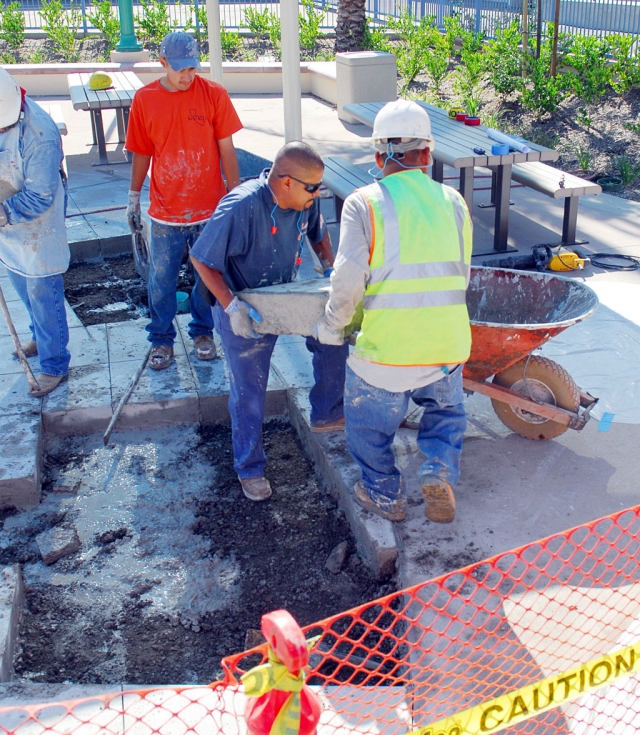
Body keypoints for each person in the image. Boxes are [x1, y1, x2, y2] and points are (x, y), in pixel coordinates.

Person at [314, 100, 473, 524]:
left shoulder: (363, 203)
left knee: (368, 428)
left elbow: (347, 282)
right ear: (427, 154)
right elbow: (463, 274)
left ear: (378, 155)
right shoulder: (455, 201)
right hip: (447, 348)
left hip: (386, 353)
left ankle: (385, 492)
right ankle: (438, 470)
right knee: (445, 413)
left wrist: (332, 325)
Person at [190, 142, 349, 502]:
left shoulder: (305, 200)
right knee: (249, 388)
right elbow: (201, 259)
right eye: (312, 187)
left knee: (333, 335)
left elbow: (317, 231)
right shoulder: (241, 207)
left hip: (283, 292)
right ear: (287, 181)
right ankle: (249, 468)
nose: (317, 193)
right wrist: (232, 308)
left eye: (319, 187)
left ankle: (327, 412)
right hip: (245, 301)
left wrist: (330, 267)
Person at [125, 31, 243, 370]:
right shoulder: (145, 100)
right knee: (160, 281)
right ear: (162, 64)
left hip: (208, 211)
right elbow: (141, 153)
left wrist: (235, 197)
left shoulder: (214, 95)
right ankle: (161, 341)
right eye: (180, 70)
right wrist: (133, 199)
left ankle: (203, 333)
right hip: (165, 213)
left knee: (205, 279)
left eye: (192, 69)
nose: (187, 76)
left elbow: (227, 149)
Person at [0, 68, 71, 398]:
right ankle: (39, 338)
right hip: (10, 227)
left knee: (43, 292)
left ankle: (54, 363)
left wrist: (3, 214)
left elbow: (39, 197)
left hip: (39, 226)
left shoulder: (39, 134)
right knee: (21, 283)